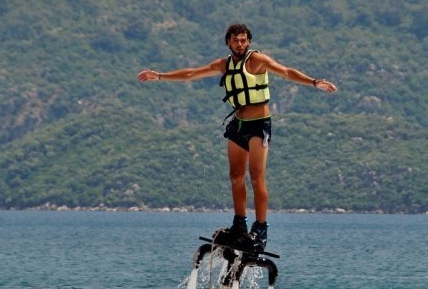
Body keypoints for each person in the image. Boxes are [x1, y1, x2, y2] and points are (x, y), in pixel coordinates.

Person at [137, 23, 337, 251]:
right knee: (235, 176)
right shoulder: (224, 64)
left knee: (256, 177)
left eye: (243, 40)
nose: (240, 44)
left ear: (248, 41)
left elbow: (286, 71)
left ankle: (260, 230)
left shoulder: (257, 60)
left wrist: (313, 82)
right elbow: (192, 73)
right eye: (235, 40)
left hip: (259, 124)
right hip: (238, 124)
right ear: (228, 43)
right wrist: (160, 76)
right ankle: (239, 227)